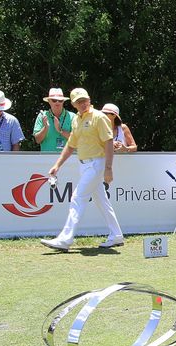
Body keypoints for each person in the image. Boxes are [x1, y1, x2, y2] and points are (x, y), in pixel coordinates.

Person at [40, 88, 124, 251]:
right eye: (79, 101)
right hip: (85, 165)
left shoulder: (99, 117)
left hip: (97, 164)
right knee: (102, 201)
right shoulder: (76, 120)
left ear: (89, 99)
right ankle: (117, 235)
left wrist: (108, 168)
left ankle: (65, 239)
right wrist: (57, 165)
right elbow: (71, 145)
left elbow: (108, 142)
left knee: (77, 198)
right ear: (73, 104)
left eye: (84, 100)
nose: (83, 103)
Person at [33, 88, 74, 152]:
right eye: (54, 100)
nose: (57, 102)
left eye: (60, 100)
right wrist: (45, 128)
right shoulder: (42, 116)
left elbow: (77, 140)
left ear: (63, 101)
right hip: (47, 158)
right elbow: (38, 140)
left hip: (67, 158)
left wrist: (60, 131)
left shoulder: (72, 116)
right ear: (49, 101)